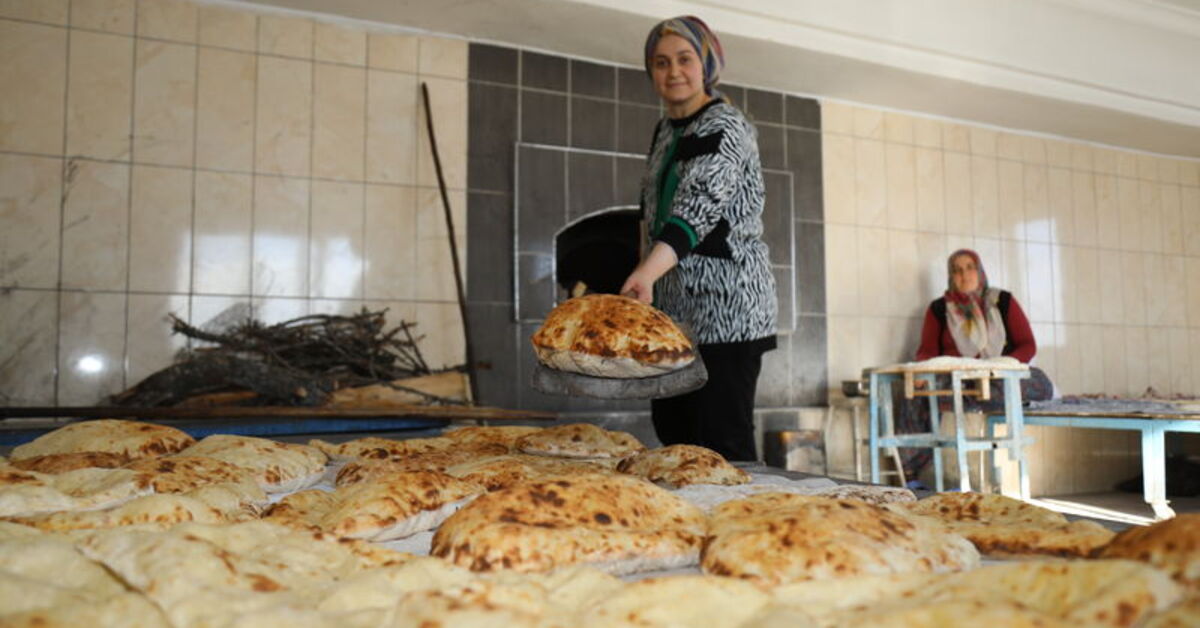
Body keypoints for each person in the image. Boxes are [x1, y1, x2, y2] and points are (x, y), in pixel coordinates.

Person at [619, 16, 777, 462]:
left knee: (722, 442)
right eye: (661, 62)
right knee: (674, 435)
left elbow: (700, 206)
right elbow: (651, 214)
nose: (673, 72)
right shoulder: (665, 130)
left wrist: (646, 273)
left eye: (684, 59)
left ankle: (744, 511)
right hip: (674, 316)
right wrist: (643, 283)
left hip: (728, 313)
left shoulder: (726, 124)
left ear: (706, 65)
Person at [898, 248, 1054, 481]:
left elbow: (1027, 345)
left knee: (1040, 382)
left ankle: (984, 395)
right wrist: (921, 369)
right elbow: (927, 350)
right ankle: (911, 471)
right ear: (951, 276)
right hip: (958, 380)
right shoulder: (940, 309)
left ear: (980, 271)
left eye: (970, 267)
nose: (964, 274)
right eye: (957, 270)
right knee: (916, 392)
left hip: (999, 377)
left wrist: (1000, 368)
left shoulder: (1002, 301)